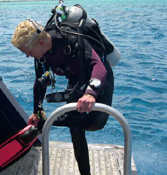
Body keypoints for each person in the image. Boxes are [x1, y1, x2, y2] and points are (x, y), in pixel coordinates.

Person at [11, 15, 114, 175]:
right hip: (76, 79)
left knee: (96, 123)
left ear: (40, 42)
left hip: (99, 76)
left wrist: (90, 93)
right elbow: (40, 82)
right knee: (75, 129)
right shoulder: (41, 55)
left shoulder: (71, 40)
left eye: (29, 52)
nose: (27, 56)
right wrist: (37, 111)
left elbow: (98, 66)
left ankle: (46, 125)